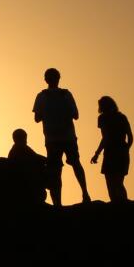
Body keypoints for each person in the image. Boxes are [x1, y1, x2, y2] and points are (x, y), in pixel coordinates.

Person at [33, 68, 91, 205]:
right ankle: (85, 193)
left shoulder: (41, 96)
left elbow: (37, 118)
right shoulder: (66, 94)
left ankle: (57, 203)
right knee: (76, 164)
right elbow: (76, 115)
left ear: (45, 79)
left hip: (52, 139)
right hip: (68, 136)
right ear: (59, 78)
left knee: (55, 170)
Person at [90, 95, 133, 203]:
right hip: (122, 152)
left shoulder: (103, 118)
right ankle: (123, 204)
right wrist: (126, 148)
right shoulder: (122, 117)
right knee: (119, 183)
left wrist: (97, 153)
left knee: (111, 183)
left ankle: (116, 206)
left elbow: (105, 138)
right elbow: (130, 137)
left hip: (110, 153)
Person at [7, 128, 47, 204]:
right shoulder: (19, 149)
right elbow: (36, 158)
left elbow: (36, 157)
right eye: (24, 138)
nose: (26, 140)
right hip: (24, 180)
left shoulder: (22, 149)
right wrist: (48, 161)